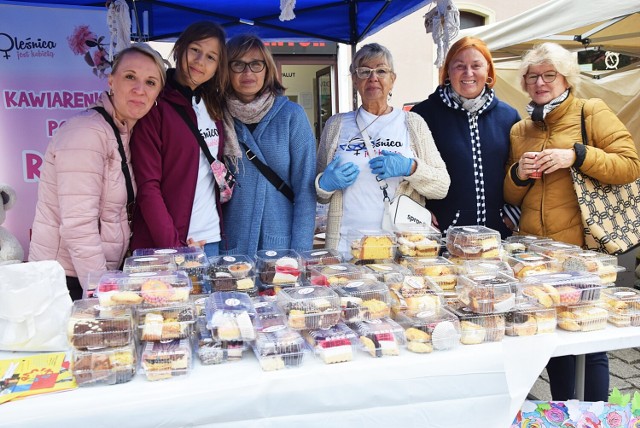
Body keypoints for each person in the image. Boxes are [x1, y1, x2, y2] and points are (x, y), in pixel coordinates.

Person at [504, 42, 640, 401]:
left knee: (588, 342)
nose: (540, 82)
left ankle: (594, 416)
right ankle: (565, 414)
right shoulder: (520, 130)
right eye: (532, 76)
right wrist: (518, 174)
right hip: (536, 258)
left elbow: (629, 164)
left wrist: (577, 155)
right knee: (552, 339)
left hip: (582, 254)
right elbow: (512, 196)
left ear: (567, 78)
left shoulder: (589, 111)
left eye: (549, 75)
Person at [29, 43, 166, 300]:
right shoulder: (86, 132)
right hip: (65, 281)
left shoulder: (124, 133)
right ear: (111, 81)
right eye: (130, 77)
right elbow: (79, 226)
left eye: (150, 82)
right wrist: (103, 292)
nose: (139, 89)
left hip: (92, 275)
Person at [316, 43, 450, 253]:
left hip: (401, 247)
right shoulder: (336, 125)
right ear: (354, 79)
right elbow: (320, 194)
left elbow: (442, 186)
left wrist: (411, 168)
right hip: (346, 246)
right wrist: (325, 183)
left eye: (381, 70)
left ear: (392, 79)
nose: (373, 77)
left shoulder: (412, 123)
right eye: (364, 71)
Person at [130, 22, 237, 258]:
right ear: (180, 48)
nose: (200, 61)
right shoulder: (155, 105)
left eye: (211, 57)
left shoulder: (213, 106)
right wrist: (174, 246)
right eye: (195, 50)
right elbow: (148, 186)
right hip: (168, 245)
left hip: (210, 239)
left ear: (217, 67)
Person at [411, 36, 521, 239]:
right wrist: (419, 211)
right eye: (459, 66)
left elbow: (519, 170)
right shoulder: (423, 115)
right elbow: (410, 173)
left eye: (476, 65)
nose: (468, 73)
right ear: (448, 71)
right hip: (443, 235)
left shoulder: (509, 116)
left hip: (497, 236)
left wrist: (514, 214)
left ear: (488, 69)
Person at [221, 34, 316, 256]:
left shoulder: (291, 116)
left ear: (267, 69)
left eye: (256, 64)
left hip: (280, 246)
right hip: (230, 246)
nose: (248, 73)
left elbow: (305, 189)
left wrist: (300, 255)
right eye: (238, 64)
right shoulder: (217, 116)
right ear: (226, 70)